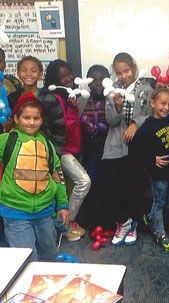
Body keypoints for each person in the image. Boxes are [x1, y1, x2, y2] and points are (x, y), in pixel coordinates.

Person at [0, 93, 69, 261]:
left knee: (50, 256)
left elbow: (57, 175)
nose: (31, 122)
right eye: (26, 117)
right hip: (15, 213)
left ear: (42, 120)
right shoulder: (6, 140)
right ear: (16, 118)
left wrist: (62, 204)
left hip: (45, 212)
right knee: (26, 259)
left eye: (36, 118)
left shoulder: (47, 144)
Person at [102, 52, 153, 245]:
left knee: (134, 187)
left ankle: (133, 224)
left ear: (133, 67)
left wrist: (134, 124)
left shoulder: (145, 88)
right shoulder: (112, 90)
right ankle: (123, 221)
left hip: (137, 147)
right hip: (115, 146)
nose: (124, 75)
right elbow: (111, 120)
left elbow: (150, 113)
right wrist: (116, 107)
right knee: (112, 187)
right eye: (119, 73)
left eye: (126, 70)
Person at [131, 85, 169, 251]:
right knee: (159, 203)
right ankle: (160, 234)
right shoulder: (147, 126)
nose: (166, 108)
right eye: (163, 103)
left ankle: (150, 218)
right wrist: (152, 160)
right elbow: (135, 150)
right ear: (153, 103)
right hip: (158, 174)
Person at [43, 59, 91, 241]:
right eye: (62, 76)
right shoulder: (52, 98)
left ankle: (69, 223)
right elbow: (58, 127)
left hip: (73, 149)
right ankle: (66, 223)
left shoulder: (71, 97)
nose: (68, 78)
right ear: (54, 79)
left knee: (69, 187)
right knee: (84, 181)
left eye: (69, 73)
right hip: (61, 152)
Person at [79, 64, 110, 227]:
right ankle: (95, 221)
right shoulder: (82, 100)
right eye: (93, 79)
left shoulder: (113, 98)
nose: (98, 83)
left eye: (102, 79)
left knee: (109, 185)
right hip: (90, 151)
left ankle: (108, 221)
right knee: (93, 184)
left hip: (110, 150)